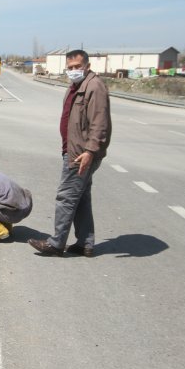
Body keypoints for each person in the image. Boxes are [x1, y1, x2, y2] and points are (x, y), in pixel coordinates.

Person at [29, 49, 112, 257]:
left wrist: (90, 151)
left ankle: (56, 244)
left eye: (78, 67)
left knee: (66, 196)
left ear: (87, 66)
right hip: (74, 149)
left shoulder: (94, 86)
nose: (74, 71)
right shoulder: (76, 86)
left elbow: (99, 123)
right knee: (81, 197)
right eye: (70, 67)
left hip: (81, 153)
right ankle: (85, 243)